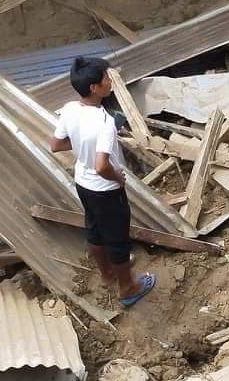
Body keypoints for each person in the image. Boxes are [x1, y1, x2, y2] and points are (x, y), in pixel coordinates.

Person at [50, 57, 155, 308]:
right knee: (117, 239)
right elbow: (102, 165)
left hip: (83, 184)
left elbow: (55, 145)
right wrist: (118, 178)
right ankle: (128, 288)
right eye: (106, 79)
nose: (111, 82)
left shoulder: (69, 110)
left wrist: (80, 146)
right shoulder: (104, 123)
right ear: (94, 88)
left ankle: (107, 274)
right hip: (106, 190)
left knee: (95, 230)